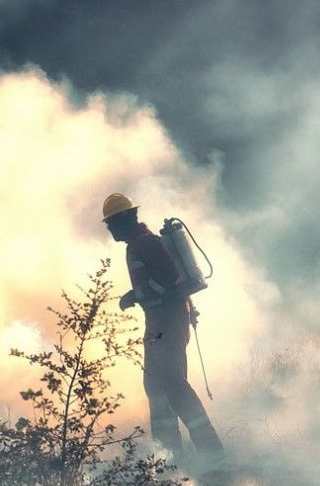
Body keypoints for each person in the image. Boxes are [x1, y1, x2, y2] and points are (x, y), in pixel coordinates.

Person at [102, 192, 223, 463]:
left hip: (167, 321)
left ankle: (212, 452)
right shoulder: (138, 243)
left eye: (111, 223)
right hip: (157, 321)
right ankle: (168, 455)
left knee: (173, 383)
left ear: (124, 220)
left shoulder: (145, 243)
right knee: (155, 384)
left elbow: (169, 275)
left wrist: (135, 295)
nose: (110, 229)